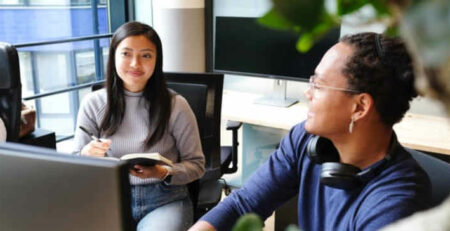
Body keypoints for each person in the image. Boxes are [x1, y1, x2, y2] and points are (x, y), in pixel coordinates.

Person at [189, 32, 431, 231]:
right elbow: (242, 206)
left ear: (359, 107)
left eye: (318, 84)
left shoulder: (397, 203)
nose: (308, 93)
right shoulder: (306, 141)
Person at [73, 21, 205, 231]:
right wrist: (86, 154)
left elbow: (197, 165)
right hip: (108, 198)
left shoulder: (176, 105)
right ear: (114, 56)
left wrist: (162, 172)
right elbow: (74, 164)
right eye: (126, 54)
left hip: (164, 199)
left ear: (156, 61)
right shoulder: (93, 103)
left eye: (146, 55)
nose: (135, 64)